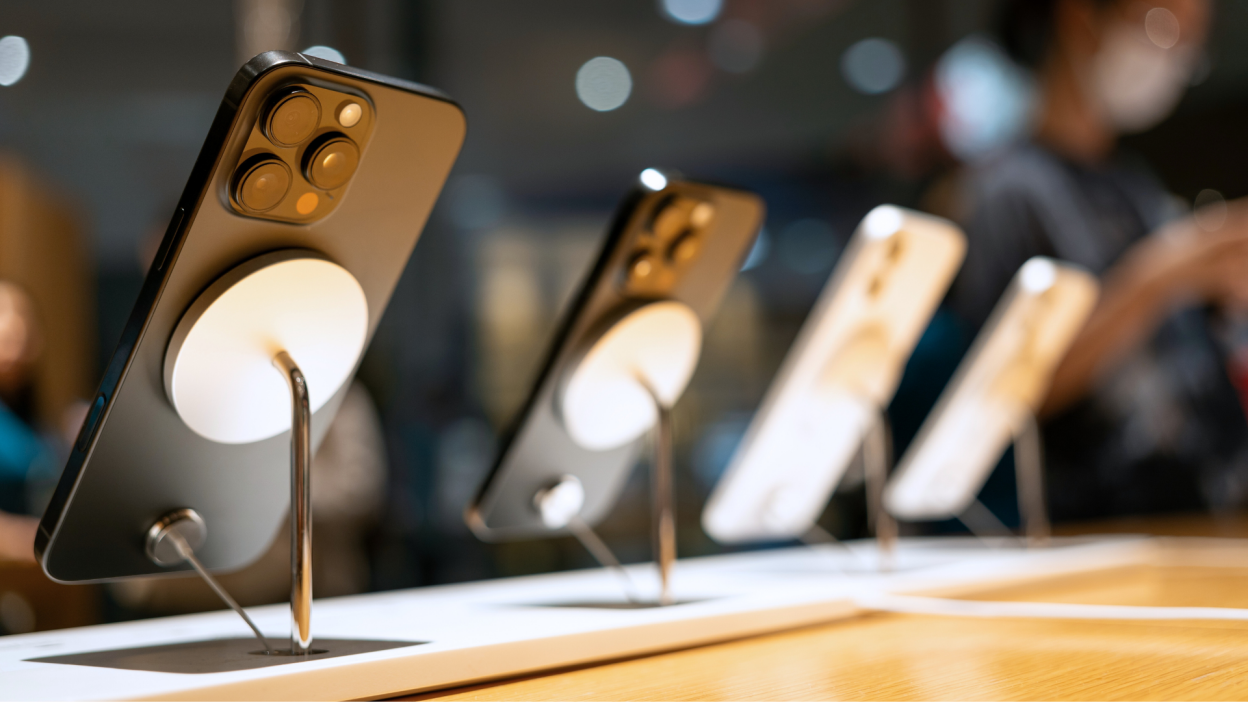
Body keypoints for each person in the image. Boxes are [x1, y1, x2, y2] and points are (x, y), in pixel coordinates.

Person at [951, 0, 1248, 520]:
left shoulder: (1134, 187)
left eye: (1189, 46)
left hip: (1208, 504)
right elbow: (1007, 392)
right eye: (1162, 28)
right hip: (1103, 524)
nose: (1172, 58)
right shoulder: (1007, 193)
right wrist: (1159, 275)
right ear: (1080, 17)